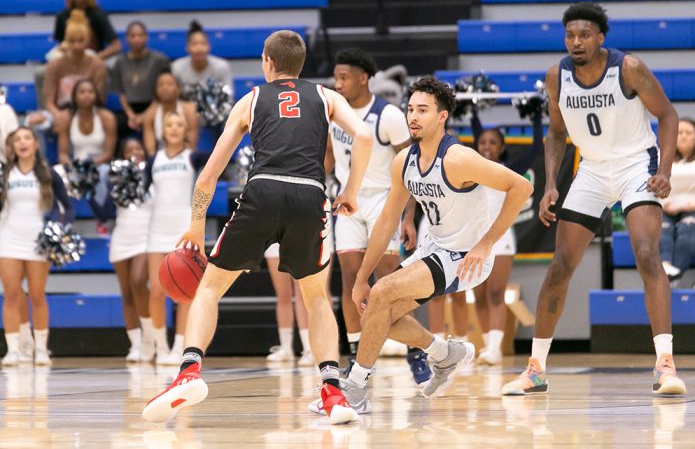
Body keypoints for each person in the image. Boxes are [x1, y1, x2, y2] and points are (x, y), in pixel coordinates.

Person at [142, 30, 372, 425]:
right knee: (316, 298)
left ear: (268, 62)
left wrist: (196, 226)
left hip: (262, 191)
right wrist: (350, 190)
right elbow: (364, 136)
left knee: (209, 289)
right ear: (300, 65)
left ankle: (188, 372)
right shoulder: (325, 96)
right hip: (309, 194)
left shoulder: (250, 100)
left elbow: (207, 176)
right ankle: (333, 393)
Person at [502, 2, 686, 396]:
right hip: (592, 170)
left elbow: (668, 116)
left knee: (646, 253)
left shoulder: (628, 68)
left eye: (584, 35)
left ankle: (665, 364)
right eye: (570, 35)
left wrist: (665, 170)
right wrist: (551, 184)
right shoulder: (557, 77)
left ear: (601, 38)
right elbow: (554, 134)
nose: (576, 42)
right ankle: (535, 369)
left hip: (637, 163)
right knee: (560, 266)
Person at [336, 76, 532, 412]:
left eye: (422, 110)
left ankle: (354, 388)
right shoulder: (404, 162)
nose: (413, 116)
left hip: (466, 257)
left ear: (442, 116)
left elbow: (521, 188)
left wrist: (486, 245)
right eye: (410, 109)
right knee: (378, 315)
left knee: (382, 292)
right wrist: (359, 278)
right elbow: (386, 222)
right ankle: (444, 353)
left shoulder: (459, 159)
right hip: (434, 248)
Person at [324, 48, 421, 380]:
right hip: (347, 200)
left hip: (384, 199)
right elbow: (327, 158)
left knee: (389, 283)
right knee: (350, 279)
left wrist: (408, 218)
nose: (337, 84)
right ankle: (356, 355)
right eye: (335, 78)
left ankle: (415, 349)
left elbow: (410, 168)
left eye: (344, 78)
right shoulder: (333, 113)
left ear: (364, 79)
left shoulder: (389, 115)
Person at [0, 127, 75, 366]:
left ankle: (41, 349)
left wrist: (59, 230)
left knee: (36, 295)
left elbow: (68, 207)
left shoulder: (48, 173)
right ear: (11, 147)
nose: (22, 143)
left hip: (37, 241)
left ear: (35, 144)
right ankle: (13, 350)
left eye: (27, 138)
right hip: (9, 237)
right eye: (17, 140)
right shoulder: (5, 173)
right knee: (11, 294)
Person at [472, 126, 544, 365]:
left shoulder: (509, 171)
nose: (487, 146)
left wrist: (534, 117)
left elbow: (535, 147)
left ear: (502, 148)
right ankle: (487, 347)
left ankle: (495, 349)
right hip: (474, 239)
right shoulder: (469, 170)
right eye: (482, 142)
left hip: (501, 239)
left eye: (493, 142)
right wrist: (471, 111)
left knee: (495, 292)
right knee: (479, 294)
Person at [145, 112, 209, 365]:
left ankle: (179, 346)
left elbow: (224, 159)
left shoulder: (192, 158)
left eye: (179, 125)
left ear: (186, 131)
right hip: (157, 226)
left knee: (186, 290)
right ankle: (160, 346)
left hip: (183, 227)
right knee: (156, 291)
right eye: (169, 124)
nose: (173, 128)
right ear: (163, 130)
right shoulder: (154, 160)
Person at [89, 137, 154, 362]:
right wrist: (88, 193)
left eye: (138, 148)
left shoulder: (153, 177)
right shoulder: (116, 181)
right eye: (129, 150)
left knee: (138, 281)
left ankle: (150, 339)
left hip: (146, 238)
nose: (135, 152)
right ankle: (135, 345)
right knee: (127, 293)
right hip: (122, 238)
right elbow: (106, 214)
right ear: (122, 156)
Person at [660, 118, 695, 285]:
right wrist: (662, 204)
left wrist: (694, 204)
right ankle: (664, 269)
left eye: (688, 133)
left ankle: (670, 279)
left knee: (687, 230)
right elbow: (648, 186)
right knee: (662, 231)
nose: (683, 136)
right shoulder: (660, 157)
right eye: (679, 132)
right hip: (665, 207)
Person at [42, 10, 108, 132]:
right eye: (72, 41)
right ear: (66, 41)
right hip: (61, 110)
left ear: (88, 40)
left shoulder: (97, 65)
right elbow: (49, 102)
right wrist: (58, 114)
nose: (77, 46)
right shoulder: (54, 65)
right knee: (36, 121)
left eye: (81, 40)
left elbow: (100, 100)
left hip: (89, 111)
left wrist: (79, 115)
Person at [112, 21, 171, 139]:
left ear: (146, 37)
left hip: (154, 105)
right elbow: (121, 93)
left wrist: (145, 116)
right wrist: (131, 115)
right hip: (129, 109)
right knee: (114, 124)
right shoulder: (119, 62)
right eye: (133, 36)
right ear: (127, 38)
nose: (137, 39)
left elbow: (163, 91)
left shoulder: (159, 60)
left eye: (140, 35)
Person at [264, 243, 315, 366]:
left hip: (296, 232)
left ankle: (309, 348)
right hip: (273, 235)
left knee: (301, 294)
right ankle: (286, 348)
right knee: (282, 295)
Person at [53, 0, 121, 60]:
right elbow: (62, 44)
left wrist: (95, 59)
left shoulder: (98, 14)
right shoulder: (62, 16)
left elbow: (116, 46)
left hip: (93, 65)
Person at [57, 79, 116, 165]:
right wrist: (70, 165)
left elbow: (108, 153)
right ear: (75, 97)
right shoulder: (67, 118)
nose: (87, 95)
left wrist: (89, 164)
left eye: (91, 92)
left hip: (100, 165)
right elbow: (63, 154)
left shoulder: (107, 117)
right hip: (76, 165)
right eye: (82, 92)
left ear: (96, 95)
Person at [171, 21, 234, 101]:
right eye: (194, 44)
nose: (199, 48)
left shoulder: (221, 67)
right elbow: (174, 99)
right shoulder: (177, 67)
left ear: (209, 46)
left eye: (203, 44)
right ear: (187, 47)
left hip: (216, 110)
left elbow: (228, 97)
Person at [142, 72, 198, 155]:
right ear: (156, 90)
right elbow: (151, 150)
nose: (165, 87)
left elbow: (192, 143)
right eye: (161, 85)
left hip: (185, 155)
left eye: (170, 84)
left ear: (178, 89)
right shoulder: (150, 114)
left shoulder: (190, 110)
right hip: (161, 157)